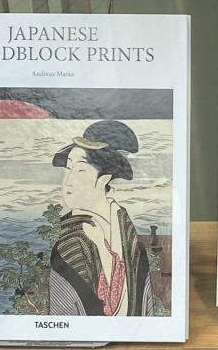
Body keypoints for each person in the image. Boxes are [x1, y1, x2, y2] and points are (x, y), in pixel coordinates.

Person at [48, 120, 160, 318]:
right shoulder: (68, 247)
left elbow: (146, 311)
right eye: (68, 168)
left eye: (80, 170)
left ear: (104, 179)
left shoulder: (130, 240)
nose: (68, 181)